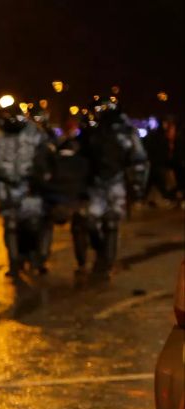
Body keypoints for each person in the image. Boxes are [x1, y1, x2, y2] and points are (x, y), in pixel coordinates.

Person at [0, 98, 54, 277]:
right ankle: (14, 262)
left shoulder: (35, 134)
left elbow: (46, 158)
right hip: (6, 187)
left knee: (32, 224)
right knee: (11, 225)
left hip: (30, 187)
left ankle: (36, 257)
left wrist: (43, 178)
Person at [75, 95, 149, 278]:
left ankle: (107, 262)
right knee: (91, 221)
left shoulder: (125, 131)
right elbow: (79, 156)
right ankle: (100, 251)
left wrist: (137, 185)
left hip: (117, 182)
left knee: (111, 221)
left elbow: (138, 158)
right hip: (95, 184)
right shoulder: (91, 130)